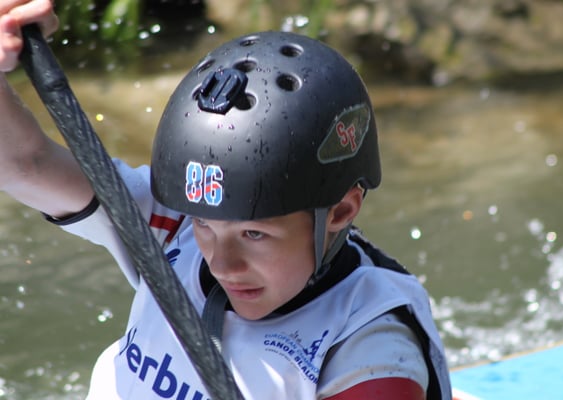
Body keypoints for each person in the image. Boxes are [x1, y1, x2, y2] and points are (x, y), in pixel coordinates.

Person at [0, 1, 452, 398]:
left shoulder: (369, 351)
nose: (222, 264)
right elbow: (25, 165)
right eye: (206, 226)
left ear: (341, 210)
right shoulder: (174, 223)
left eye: (254, 234)